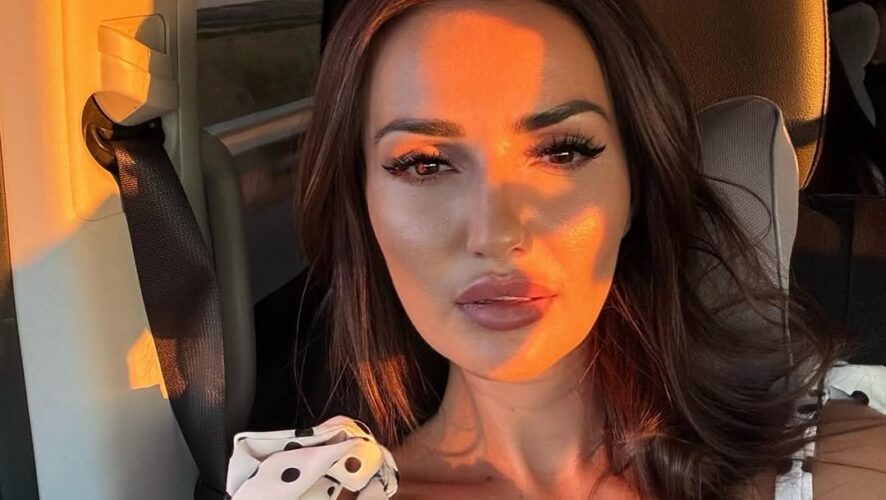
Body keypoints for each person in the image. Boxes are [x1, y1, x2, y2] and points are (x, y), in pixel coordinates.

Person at [226, 0, 886, 498]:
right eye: (425, 163)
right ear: (363, 207)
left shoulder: (848, 468)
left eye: (562, 151)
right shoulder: (312, 491)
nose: (496, 234)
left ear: (635, 187)